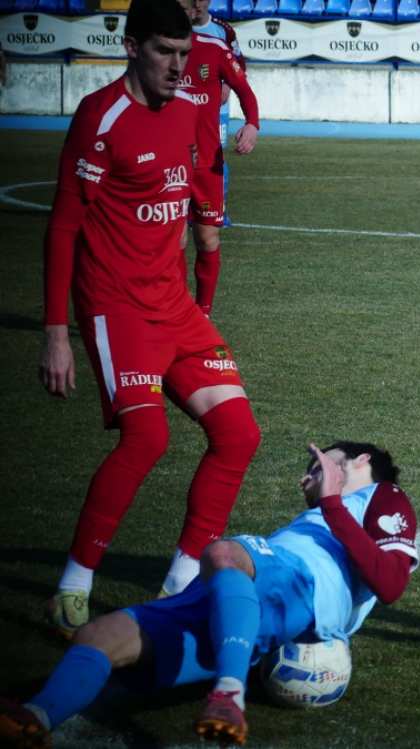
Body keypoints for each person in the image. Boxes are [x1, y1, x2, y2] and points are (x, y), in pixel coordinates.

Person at [38, 0, 261, 640]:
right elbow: (63, 227)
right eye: (165, 51)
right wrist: (56, 334)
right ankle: (72, 587)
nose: (178, 65)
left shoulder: (191, 111)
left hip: (175, 307)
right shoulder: (99, 117)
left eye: (184, 53)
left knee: (239, 435)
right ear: (132, 47)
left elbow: (196, 194)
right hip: (116, 307)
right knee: (147, 439)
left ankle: (182, 583)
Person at [0, 441, 418, 747]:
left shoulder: (382, 495)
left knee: (221, 551)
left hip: (300, 582)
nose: (306, 477)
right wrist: (327, 504)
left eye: (319, 463)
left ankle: (229, 693)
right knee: (99, 635)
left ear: (362, 460)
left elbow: (391, 584)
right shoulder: (321, 513)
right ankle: (36, 718)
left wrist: (332, 503)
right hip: (243, 597)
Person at [177, 0, 260, 317]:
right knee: (174, 240)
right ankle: (175, 311)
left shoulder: (214, 48)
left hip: (207, 164)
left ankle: (203, 313)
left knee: (207, 237)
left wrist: (252, 124)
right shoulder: (154, 51)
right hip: (169, 164)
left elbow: (244, 90)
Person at [187, 0, 244, 229]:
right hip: (182, 108)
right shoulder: (175, 29)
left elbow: (239, 63)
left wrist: (227, 85)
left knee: (214, 156)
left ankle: (218, 208)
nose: (197, 4)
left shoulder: (223, 30)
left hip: (216, 108)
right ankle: (183, 208)